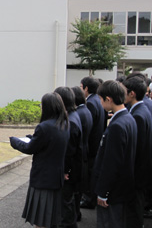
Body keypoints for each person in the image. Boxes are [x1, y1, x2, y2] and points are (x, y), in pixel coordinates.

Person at [9, 92, 70, 228]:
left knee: (41, 220)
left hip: (43, 178)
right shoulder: (64, 123)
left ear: (48, 107)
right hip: (56, 177)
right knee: (50, 218)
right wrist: (33, 137)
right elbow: (46, 142)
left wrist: (14, 141)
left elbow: (30, 148)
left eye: (42, 105)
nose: (41, 107)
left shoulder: (44, 127)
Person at [93, 80, 137, 228]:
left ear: (108, 99)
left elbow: (112, 163)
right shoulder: (128, 118)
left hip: (113, 191)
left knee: (109, 223)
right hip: (123, 187)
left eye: (100, 99)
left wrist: (103, 192)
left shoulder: (117, 125)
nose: (99, 103)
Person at [123, 77, 152, 228]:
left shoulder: (138, 115)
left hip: (137, 173)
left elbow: (137, 149)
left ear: (132, 93)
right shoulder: (142, 110)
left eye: (124, 91)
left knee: (134, 211)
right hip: (141, 171)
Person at [54, 87, 83, 228]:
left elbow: (69, 152)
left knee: (66, 208)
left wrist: (66, 171)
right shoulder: (73, 115)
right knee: (68, 205)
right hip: (73, 170)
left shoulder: (70, 122)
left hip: (69, 173)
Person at [79, 76, 105, 209]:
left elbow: (88, 126)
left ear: (86, 88)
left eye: (81, 86)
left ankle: (89, 199)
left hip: (91, 144)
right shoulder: (98, 100)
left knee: (89, 173)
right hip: (97, 141)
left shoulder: (90, 103)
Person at [71, 86, 93, 222]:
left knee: (74, 191)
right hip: (84, 153)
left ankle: (75, 215)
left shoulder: (78, 114)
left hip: (78, 156)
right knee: (77, 191)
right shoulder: (85, 110)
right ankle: (76, 214)